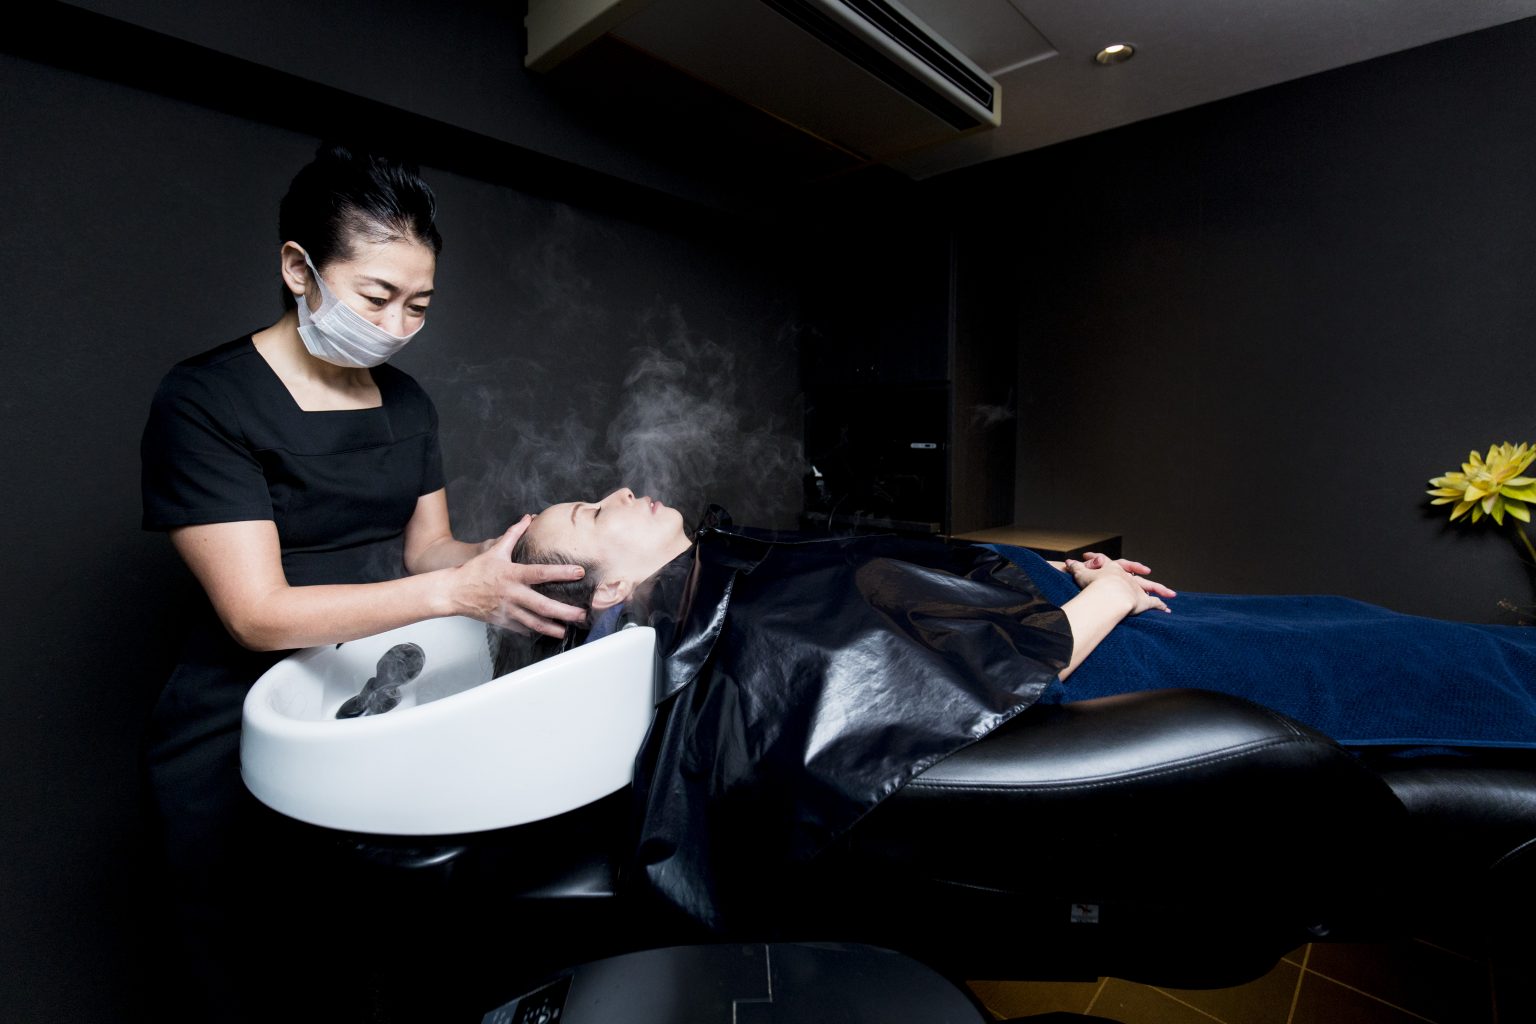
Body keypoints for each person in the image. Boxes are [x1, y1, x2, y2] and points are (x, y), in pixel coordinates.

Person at [509, 487, 1536, 929]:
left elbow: (930, 602)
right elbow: (980, 668)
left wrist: (1049, 575)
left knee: (1345, 617)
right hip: (1114, 655)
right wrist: (1103, 597)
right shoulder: (746, 632)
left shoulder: (733, 576)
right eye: (594, 512)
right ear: (608, 592)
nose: (623, 493)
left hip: (1082, 611)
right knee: (1419, 664)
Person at [139, 144, 585, 1020]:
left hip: (368, 709)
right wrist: (455, 595)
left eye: (419, 305)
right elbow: (257, 614)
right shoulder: (206, 402)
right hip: (234, 732)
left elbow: (429, 552)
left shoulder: (406, 402)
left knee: (363, 970)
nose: (397, 325)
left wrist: (513, 560)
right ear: (297, 268)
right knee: (252, 982)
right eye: (377, 297)